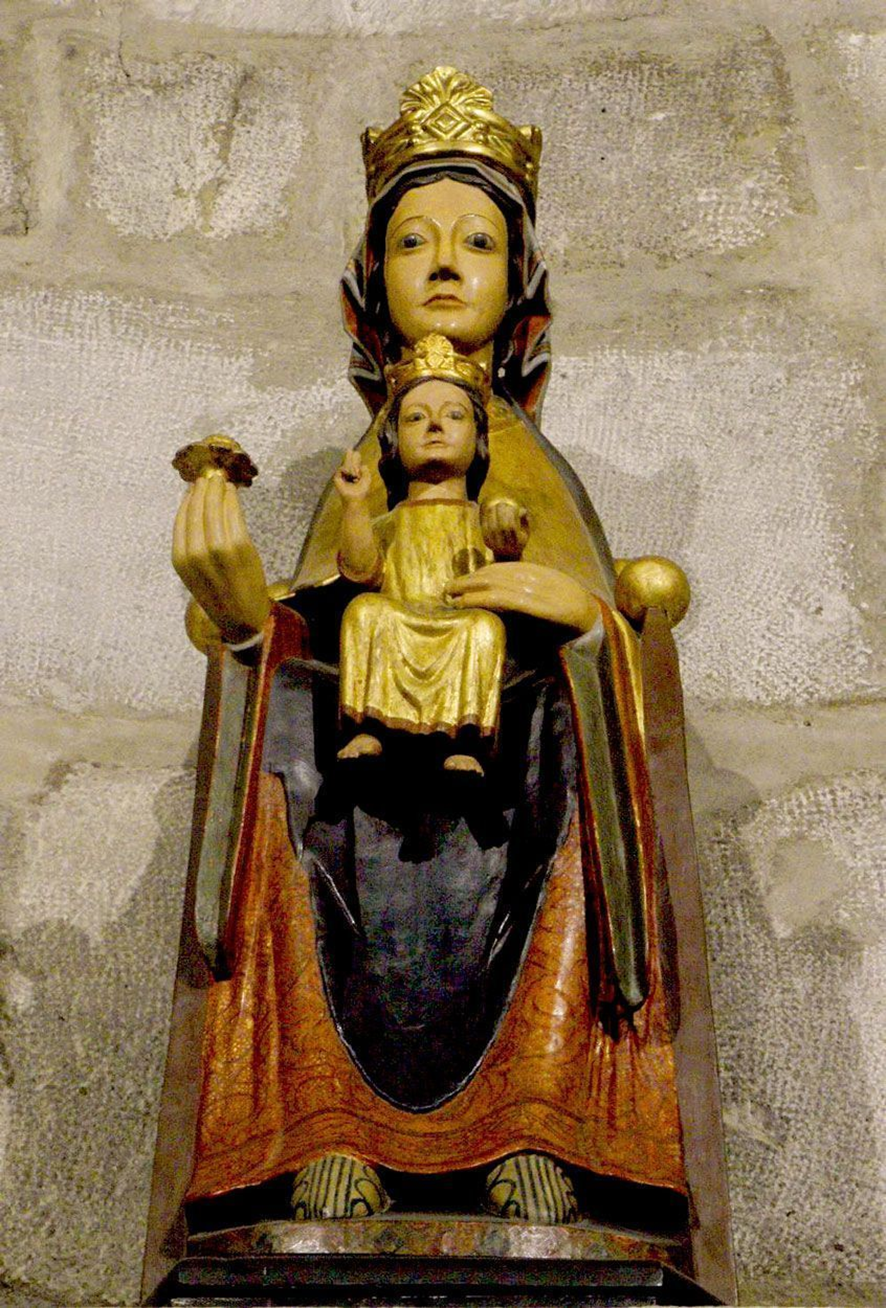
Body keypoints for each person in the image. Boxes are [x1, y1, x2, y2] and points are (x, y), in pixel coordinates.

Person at [174, 67, 687, 1228]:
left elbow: (623, 637)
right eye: (413, 242)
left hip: (512, 779)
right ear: (370, 287)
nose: (446, 266)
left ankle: (535, 1121)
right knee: (283, 736)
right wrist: (248, 624)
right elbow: (316, 608)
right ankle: (327, 1125)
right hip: (364, 780)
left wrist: (585, 623)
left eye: (477, 244)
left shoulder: (531, 473)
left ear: (522, 289)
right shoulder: (365, 475)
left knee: (572, 730)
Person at [336, 334, 517, 776]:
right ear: (395, 441)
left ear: (478, 439)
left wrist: (508, 548)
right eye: (416, 418)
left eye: (454, 415)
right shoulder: (390, 521)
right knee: (365, 611)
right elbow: (360, 571)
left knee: (483, 627)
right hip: (399, 616)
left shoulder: (483, 518)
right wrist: (354, 505)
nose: (435, 426)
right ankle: (370, 728)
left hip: (458, 622)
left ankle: (467, 742)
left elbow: (511, 591)